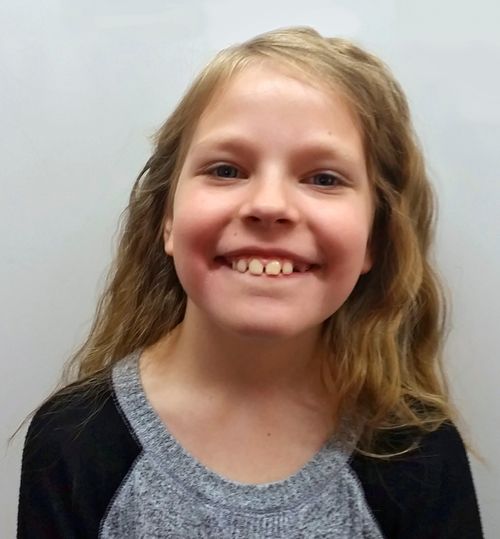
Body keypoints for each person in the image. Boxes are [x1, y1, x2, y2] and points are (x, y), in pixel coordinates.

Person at [17, 26, 483, 538]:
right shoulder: (73, 441)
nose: (268, 205)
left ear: (375, 238)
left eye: (324, 178)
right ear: (166, 219)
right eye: (225, 170)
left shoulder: (419, 451)